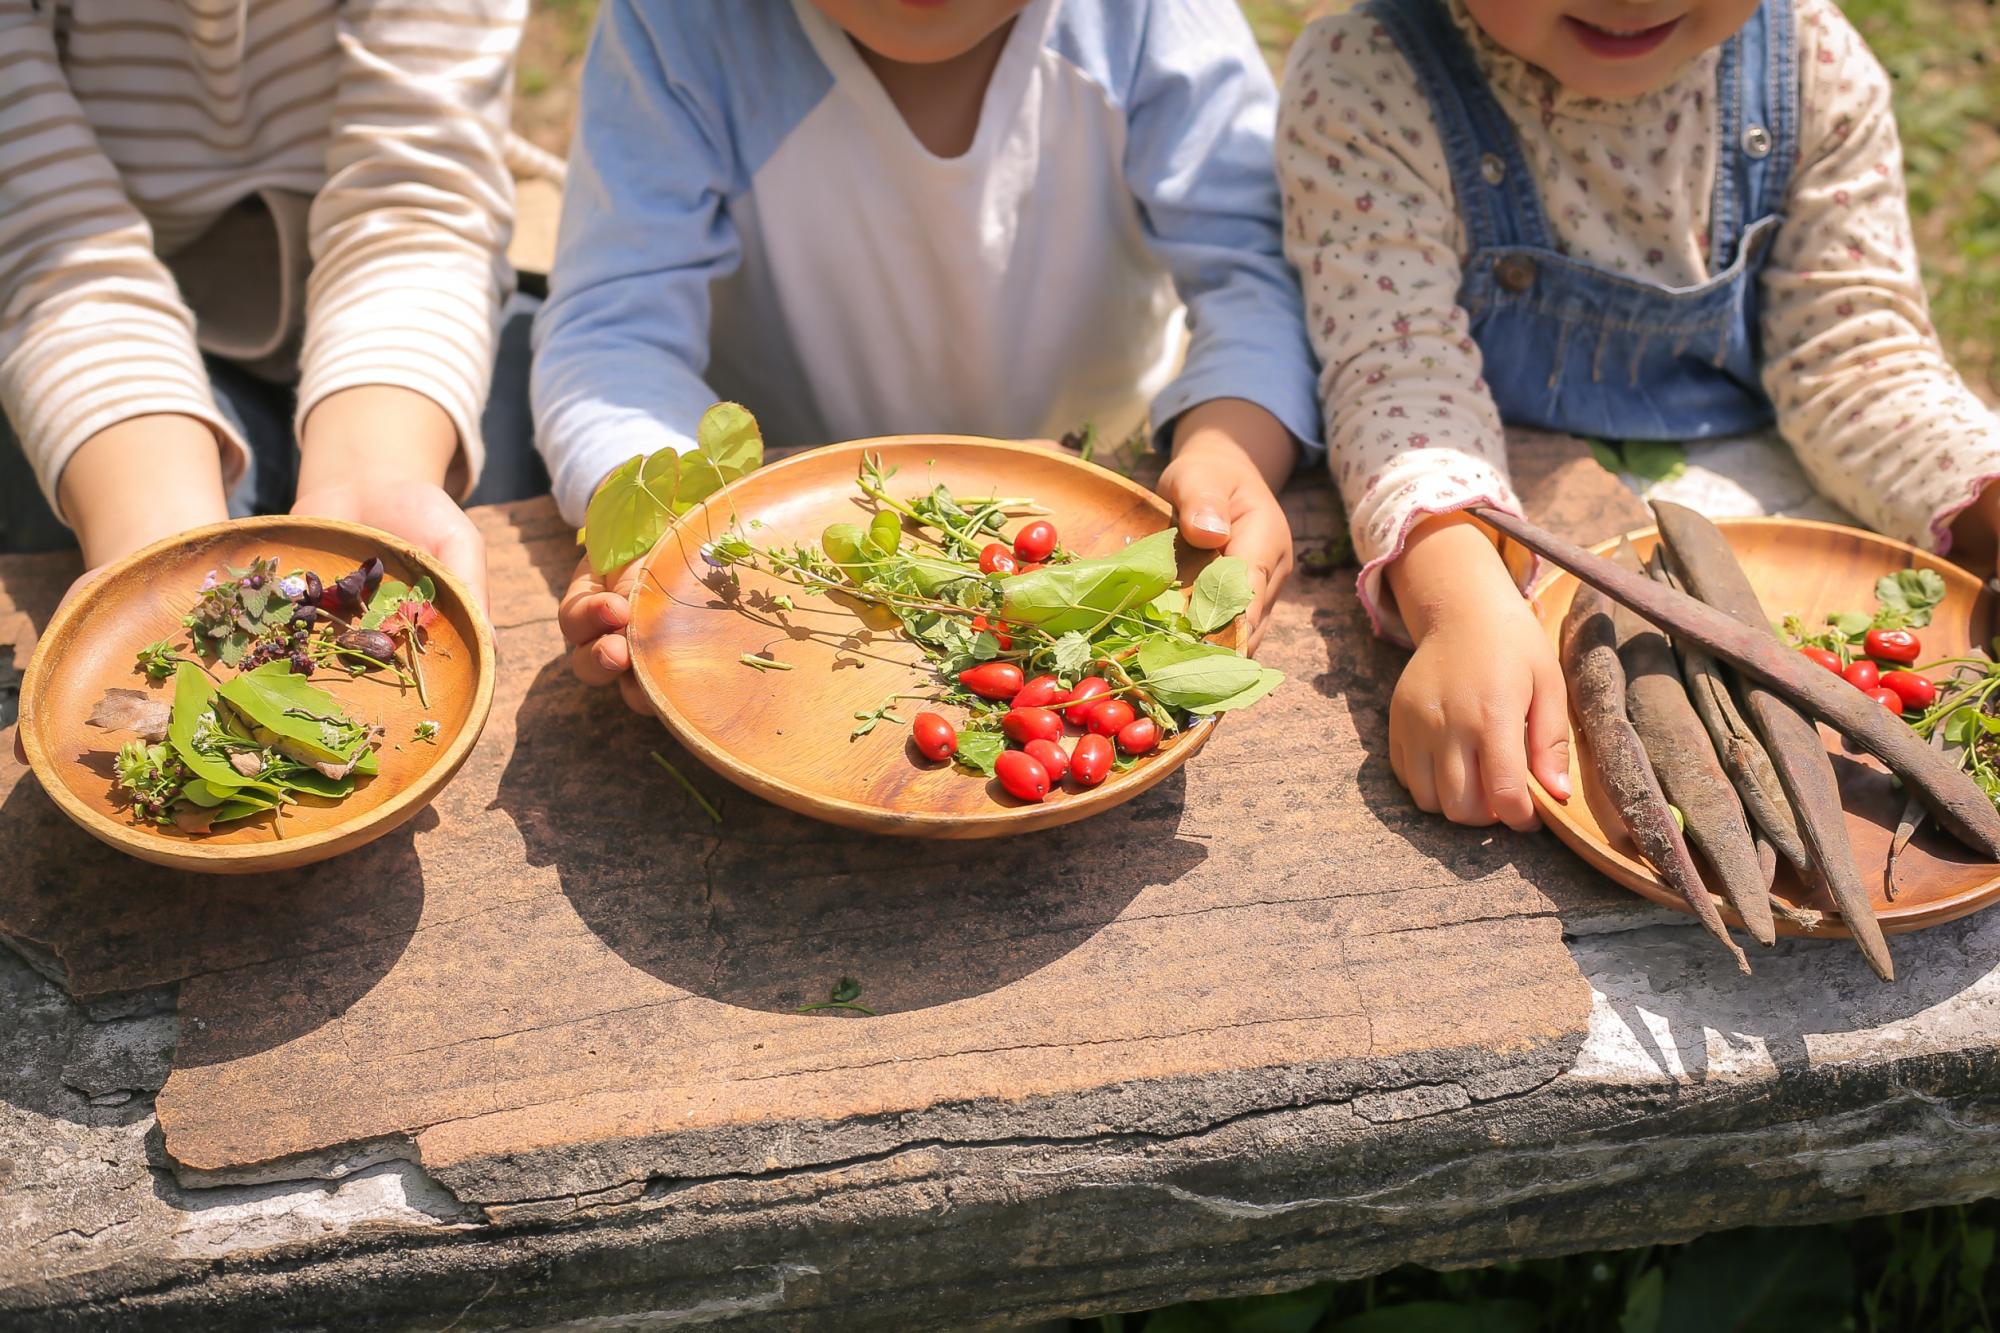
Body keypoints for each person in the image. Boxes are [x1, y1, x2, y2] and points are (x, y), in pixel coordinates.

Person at [1278, 0, 2000, 831]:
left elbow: (1860, 362)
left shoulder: (1810, 68)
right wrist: (1457, 600)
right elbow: (1398, 378)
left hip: (1771, 532)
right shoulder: (1368, 77)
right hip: (1512, 539)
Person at [538, 0, 1322, 711]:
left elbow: (1256, 268)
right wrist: (663, 516)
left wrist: (1230, 440)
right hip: (796, 558)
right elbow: (614, 326)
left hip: (1106, 501)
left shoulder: (1150, 18)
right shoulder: (674, 26)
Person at [0, 0, 547, 610]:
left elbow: (419, 203)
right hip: (124, 334)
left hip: (406, 313)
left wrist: (372, 482)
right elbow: (44, 247)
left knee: (500, 496)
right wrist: (160, 549)